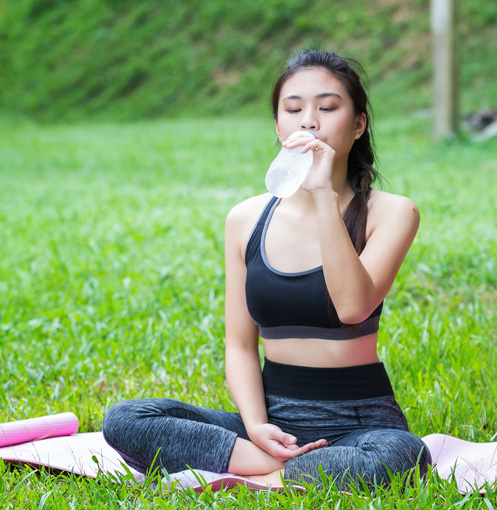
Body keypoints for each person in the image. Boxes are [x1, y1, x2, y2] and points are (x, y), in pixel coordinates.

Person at [102, 49, 431, 489]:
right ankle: (279, 468)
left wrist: (322, 196)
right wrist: (256, 426)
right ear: (278, 126)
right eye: (293, 109)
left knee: (397, 458)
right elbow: (239, 345)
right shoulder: (245, 219)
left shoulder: (391, 212)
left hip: (359, 424)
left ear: (358, 124)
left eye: (328, 108)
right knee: (126, 419)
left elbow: (352, 307)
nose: (308, 121)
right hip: (273, 424)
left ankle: (256, 470)